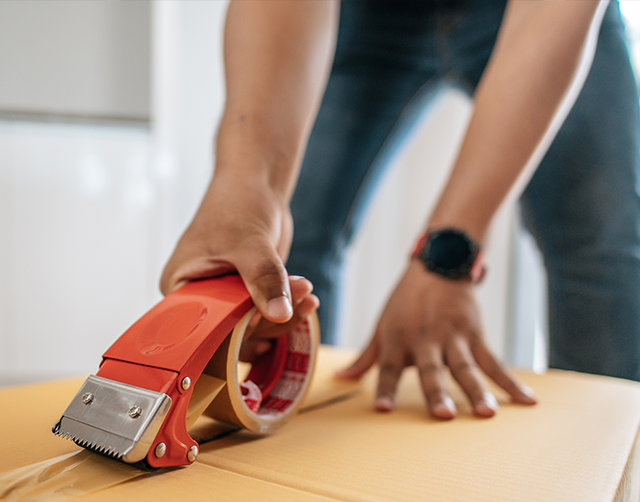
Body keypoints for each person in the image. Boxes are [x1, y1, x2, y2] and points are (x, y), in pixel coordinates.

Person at [161, 0, 640, 421]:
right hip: (368, 11)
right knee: (281, 257)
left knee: (604, 247)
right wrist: (243, 188)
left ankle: (609, 480)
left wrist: (448, 251)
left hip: (547, 11)